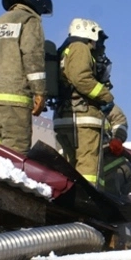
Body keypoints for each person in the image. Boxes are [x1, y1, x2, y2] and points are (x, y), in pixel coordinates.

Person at [0, 0, 52, 154]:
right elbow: (32, 57)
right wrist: (40, 92)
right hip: (14, 95)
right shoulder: (29, 20)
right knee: (16, 149)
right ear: (38, 6)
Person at [52, 18, 115, 187]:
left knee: (69, 166)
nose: (99, 43)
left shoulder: (64, 50)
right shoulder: (80, 47)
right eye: (98, 38)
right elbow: (81, 78)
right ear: (90, 33)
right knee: (88, 168)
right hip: (83, 118)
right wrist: (106, 96)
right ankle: (87, 202)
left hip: (65, 115)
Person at [101, 104, 131, 198]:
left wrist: (117, 138)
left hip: (105, 153)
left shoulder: (106, 105)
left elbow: (119, 120)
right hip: (88, 157)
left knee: (127, 169)